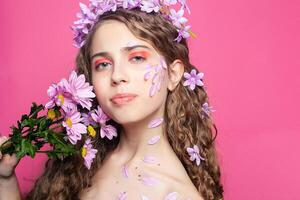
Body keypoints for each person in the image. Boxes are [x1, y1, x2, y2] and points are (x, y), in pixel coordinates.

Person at [0, 1, 223, 199]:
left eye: (137, 57)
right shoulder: (85, 159)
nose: (116, 76)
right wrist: (5, 179)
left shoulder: (174, 193)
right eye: (103, 64)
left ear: (173, 74)